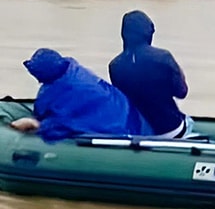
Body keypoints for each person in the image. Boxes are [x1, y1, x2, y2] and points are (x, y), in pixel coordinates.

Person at [10, 48, 152, 142]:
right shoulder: (77, 72)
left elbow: (65, 123)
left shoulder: (66, 91)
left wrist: (37, 125)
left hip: (121, 129)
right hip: (136, 122)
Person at [108, 10, 193, 138]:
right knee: (189, 122)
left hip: (138, 131)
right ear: (148, 32)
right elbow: (182, 92)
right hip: (171, 129)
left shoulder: (114, 66)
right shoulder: (164, 57)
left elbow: (123, 101)